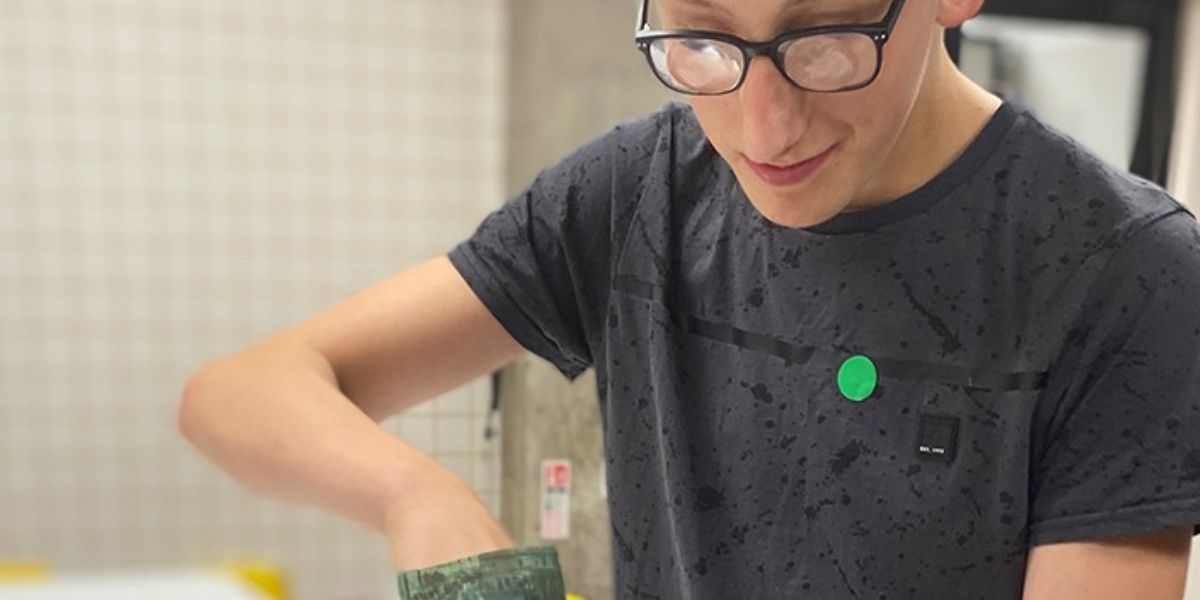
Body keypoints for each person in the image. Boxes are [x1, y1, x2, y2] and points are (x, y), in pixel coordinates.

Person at [179, 0, 1200, 597]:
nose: (764, 125)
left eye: (824, 38)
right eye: (701, 39)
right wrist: (419, 499)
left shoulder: (1122, 274)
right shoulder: (633, 194)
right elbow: (240, 393)